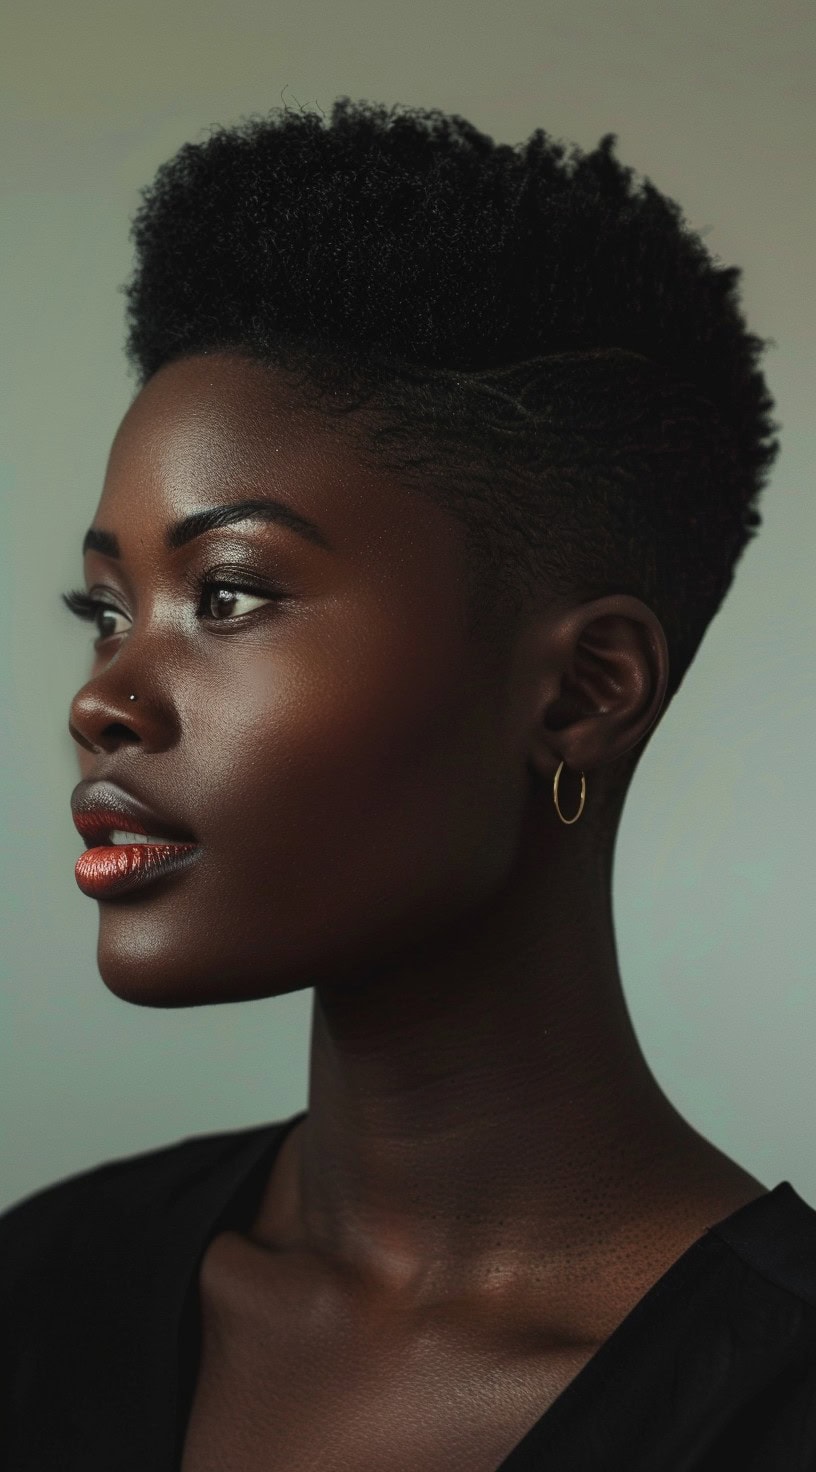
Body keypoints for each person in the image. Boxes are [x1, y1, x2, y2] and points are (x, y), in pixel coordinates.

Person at [2, 97, 814, 1471]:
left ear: (583, 690)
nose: (103, 700)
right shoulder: (39, 1292)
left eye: (229, 593)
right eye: (106, 608)